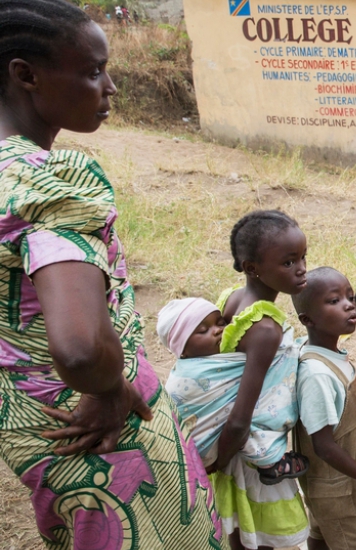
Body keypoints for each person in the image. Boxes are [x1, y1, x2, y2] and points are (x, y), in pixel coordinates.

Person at [0, 2, 221, 547]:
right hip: (104, 433)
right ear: (26, 74)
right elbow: (78, 349)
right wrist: (110, 388)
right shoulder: (51, 184)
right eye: (94, 70)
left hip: (31, 424)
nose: (111, 87)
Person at [209, 210, 311, 549]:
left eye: (302, 257)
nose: (301, 268)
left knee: (242, 531)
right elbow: (242, 415)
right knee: (264, 538)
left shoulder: (232, 299)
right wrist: (217, 464)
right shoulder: (266, 328)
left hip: (234, 447)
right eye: (288, 263)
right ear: (252, 267)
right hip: (252, 454)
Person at [290, 267, 356, 550]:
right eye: (333, 301)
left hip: (335, 480)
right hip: (334, 485)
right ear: (307, 319)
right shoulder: (317, 375)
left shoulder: (329, 353)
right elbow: (323, 445)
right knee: (355, 542)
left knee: (323, 532)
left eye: (349, 296)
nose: (349, 304)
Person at [160, 298, 308, 485]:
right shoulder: (188, 375)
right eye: (203, 330)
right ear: (182, 351)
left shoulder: (229, 361)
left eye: (220, 323)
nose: (217, 331)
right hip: (201, 453)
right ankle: (268, 460)